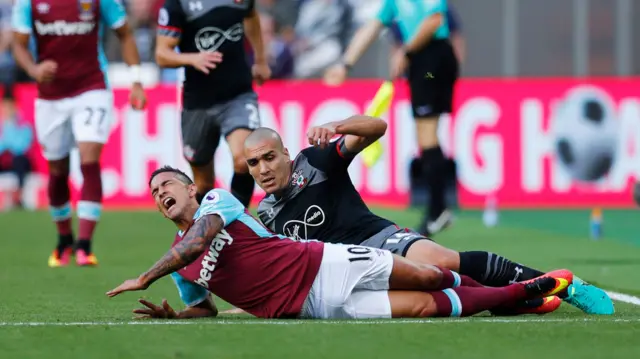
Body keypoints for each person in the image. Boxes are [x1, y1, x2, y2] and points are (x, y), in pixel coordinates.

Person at [241, 121, 615, 316]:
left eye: (270, 157)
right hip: (348, 277)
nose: (264, 168)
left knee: (440, 263)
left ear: (285, 153)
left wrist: (339, 125)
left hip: (377, 239)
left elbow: (377, 127)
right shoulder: (268, 214)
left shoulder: (317, 160)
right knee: (430, 298)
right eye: (254, 163)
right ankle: (513, 300)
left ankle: (562, 285)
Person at [106, 166, 572, 320]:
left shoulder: (217, 202)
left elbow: (196, 243)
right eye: (154, 192)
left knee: (431, 276)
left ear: (191, 188)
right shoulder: (182, 266)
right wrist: (179, 315)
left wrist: (145, 276)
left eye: (168, 184)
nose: (161, 193)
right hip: (311, 306)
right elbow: (204, 307)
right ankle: (514, 297)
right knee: (424, 307)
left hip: (324, 263)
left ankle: (514, 294)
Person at [12, 0, 147, 267]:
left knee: (89, 158)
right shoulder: (29, 3)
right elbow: (18, 43)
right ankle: (64, 241)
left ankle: (84, 245)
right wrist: (33, 69)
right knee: (57, 169)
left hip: (92, 88)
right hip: (50, 96)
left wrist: (137, 80)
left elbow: (125, 33)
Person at [324, 0, 457, 236]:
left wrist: (405, 52)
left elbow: (435, 20)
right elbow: (372, 27)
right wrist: (346, 64)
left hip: (432, 60)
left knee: (427, 133)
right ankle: (438, 209)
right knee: (425, 135)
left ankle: (438, 210)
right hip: (421, 60)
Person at [155, 0, 271, 207]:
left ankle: (236, 227)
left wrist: (260, 60)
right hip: (198, 102)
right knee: (203, 183)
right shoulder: (177, 5)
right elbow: (162, 54)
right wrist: (193, 59)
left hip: (238, 94)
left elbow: (251, 17)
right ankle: (209, 230)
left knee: (244, 159)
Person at [0, 115, 33, 208]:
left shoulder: (24, 125)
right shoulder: (2, 125)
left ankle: (19, 196)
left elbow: (23, 146)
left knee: (19, 161)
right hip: (4, 160)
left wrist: (9, 145)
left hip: (19, 160)